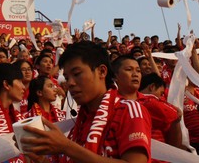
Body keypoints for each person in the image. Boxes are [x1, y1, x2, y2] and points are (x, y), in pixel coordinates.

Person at [21, 41, 151, 163]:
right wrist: (40, 159)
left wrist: (66, 147)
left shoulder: (129, 110)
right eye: (66, 77)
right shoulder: (79, 122)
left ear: (102, 71)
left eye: (77, 74)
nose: (70, 83)